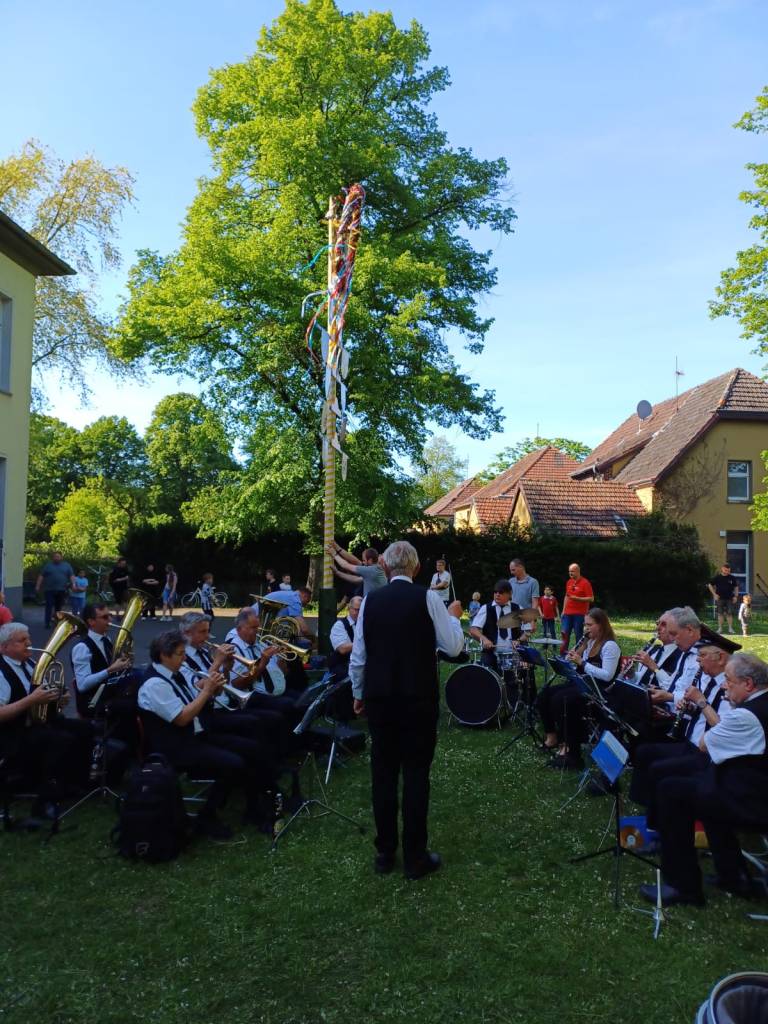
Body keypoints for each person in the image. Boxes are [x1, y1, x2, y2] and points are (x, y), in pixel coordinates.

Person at [349, 540, 464, 880]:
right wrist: (454, 619)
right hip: (418, 699)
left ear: (384, 567)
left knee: (382, 774)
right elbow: (453, 647)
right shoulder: (428, 598)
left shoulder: (370, 602)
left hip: (380, 698)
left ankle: (385, 852)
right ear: (416, 568)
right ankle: (415, 857)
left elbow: (359, 655)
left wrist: (358, 692)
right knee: (416, 774)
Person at [639, 652, 768, 907]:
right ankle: (734, 877)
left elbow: (703, 744)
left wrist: (719, 705)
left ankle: (683, 886)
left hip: (754, 801)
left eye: (729, 681)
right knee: (704, 791)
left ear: (748, 684)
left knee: (672, 791)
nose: (724, 686)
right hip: (752, 787)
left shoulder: (746, 715)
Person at [138, 631, 275, 838]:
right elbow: (182, 718)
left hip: (197, 734)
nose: (184, 658)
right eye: (180, 654)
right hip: (176, 747)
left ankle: (256, 805)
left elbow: (196, 697)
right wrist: (206, 690)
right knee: (233, 763)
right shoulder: (154, 685)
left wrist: (215, 684)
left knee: (252, 748)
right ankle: (207, 816)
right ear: (164, 655)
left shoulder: (174, 672)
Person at [0, 622, 92, 817]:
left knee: (85, 728)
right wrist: (31, 700)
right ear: (4, 647)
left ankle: (75, 783)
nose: (29, 643)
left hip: (38, 724)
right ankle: (45, 801)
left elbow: (44, 699)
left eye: (28, 638)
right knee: (59, 740)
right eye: (21, 640)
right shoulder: (1, 673)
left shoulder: (31, 664)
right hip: (13, 734)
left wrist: (58, 698)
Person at [538, 608, 621, 768]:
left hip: (599, 691)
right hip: (583, 684)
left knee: (561, 700)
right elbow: (580, 670)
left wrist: (582, 662)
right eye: (585, 625)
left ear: (601, 625)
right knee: (545, 694)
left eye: (590, 625)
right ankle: (552, 737)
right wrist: (568, 664)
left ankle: (571, 751)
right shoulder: (589, 642)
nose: (586, 629)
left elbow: (607, 675)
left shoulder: (610, 646)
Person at [468, 580, 522, 706]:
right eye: (495, 592)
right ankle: (490, 705)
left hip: (512, 653)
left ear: (509, 594)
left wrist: (519, 640)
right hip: (490, 652)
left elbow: (528, 630)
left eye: (501, 592)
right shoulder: (486, 608)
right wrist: (484, 639)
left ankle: (513, 705)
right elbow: (473, 629)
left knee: (513, 680)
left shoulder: (517, 608)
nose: (497, 594)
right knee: (488, 679)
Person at [35, 551, 76, 629]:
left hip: (61, 590)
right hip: (49, 590)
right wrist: (37, 586)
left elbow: (71, 576)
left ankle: (57, 622)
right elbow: (41, 576)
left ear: (61, 557)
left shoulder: (67, 566)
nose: (56, 558)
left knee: (58, 607)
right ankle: (47, 623)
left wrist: (73, 584)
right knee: (49, 606)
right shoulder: (48, 566)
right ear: (53, 558)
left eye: (58, 556)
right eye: (55, 556)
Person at [559, 563, 594, 653]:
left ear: (578, 571)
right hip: (567, 613)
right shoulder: (569, 582)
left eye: (572, 571)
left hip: (580, 614)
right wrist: (563, 611)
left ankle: (578, 655)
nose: (570, 573)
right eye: (569, 571)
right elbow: (567, 596)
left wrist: (577, 598)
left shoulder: (585, 583)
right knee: (564, 634)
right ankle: (563, 655)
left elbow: (591, 598)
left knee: (579, 635)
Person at [708, 564, 739, 635]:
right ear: (722, 569)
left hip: (730, 598)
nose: (727, 572)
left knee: (729, 614)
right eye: (725, 570)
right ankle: (720, 628)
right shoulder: (717, 577)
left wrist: (736, 596)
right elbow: (709, 585)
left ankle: (730, 628)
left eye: (728, 571)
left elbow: (736, 587)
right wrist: (714, 594)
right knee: (720, 614)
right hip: (720, 598)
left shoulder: (732, 578)